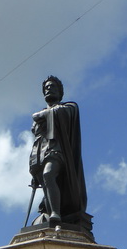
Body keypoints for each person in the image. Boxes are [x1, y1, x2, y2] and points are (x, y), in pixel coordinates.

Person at [29, 75, 88, 228]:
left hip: (57, 150)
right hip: (39, 154)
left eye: (53, 86)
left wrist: (42, 115)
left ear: (60, 92)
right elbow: (36, 138)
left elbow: (63, 113)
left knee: (49, 174)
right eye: (46, 87)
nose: (49, 89)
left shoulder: (68, 107)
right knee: (46, 182)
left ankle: (55, 213)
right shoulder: (42, 115)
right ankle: (53, 212)